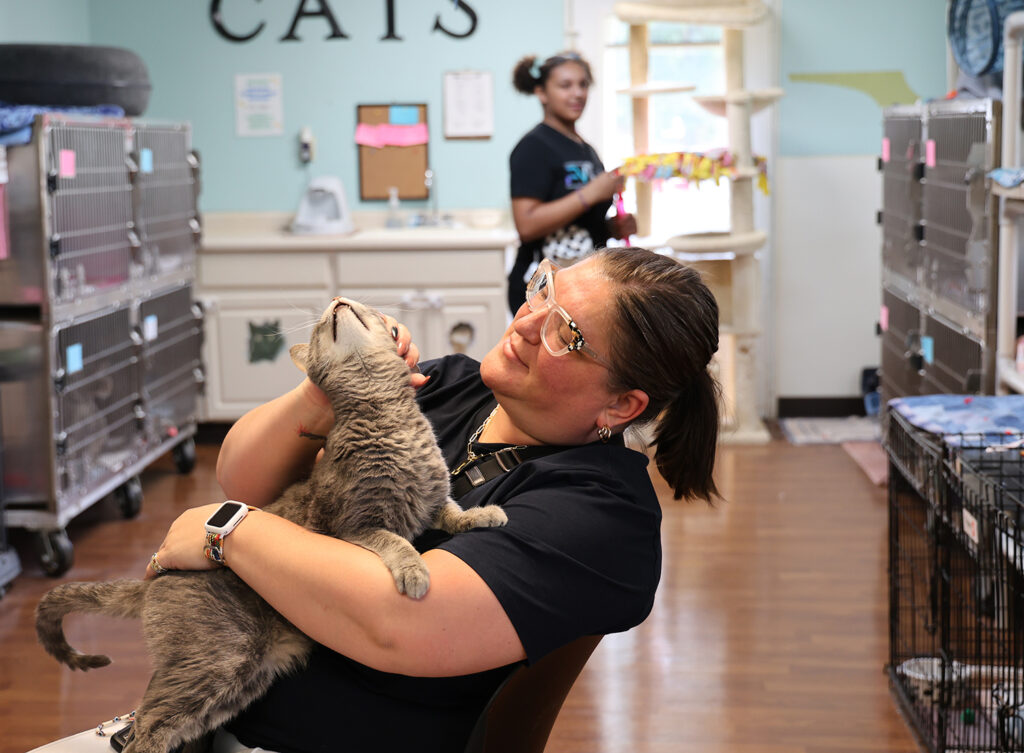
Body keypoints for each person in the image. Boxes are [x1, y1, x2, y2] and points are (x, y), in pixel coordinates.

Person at [145, 247, 720, 753]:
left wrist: (231, 532)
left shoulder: (602, 516)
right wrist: (323, 393)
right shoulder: (449, 386)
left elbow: (398, 620)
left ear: (621, 406)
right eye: (545, 291)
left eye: (564, 334)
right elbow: (244, 480)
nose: (526, 322)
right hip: (215, 709)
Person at [507, 50, 638, 314]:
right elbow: (527, 225)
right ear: (541, 92)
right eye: (565, 85)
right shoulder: (533, 147)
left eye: (583, 84)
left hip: (580, 284)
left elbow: (581, 224)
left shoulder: (586, 150)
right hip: (543, 288)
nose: (577, 93)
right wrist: (590, 193)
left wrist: (612, 228)